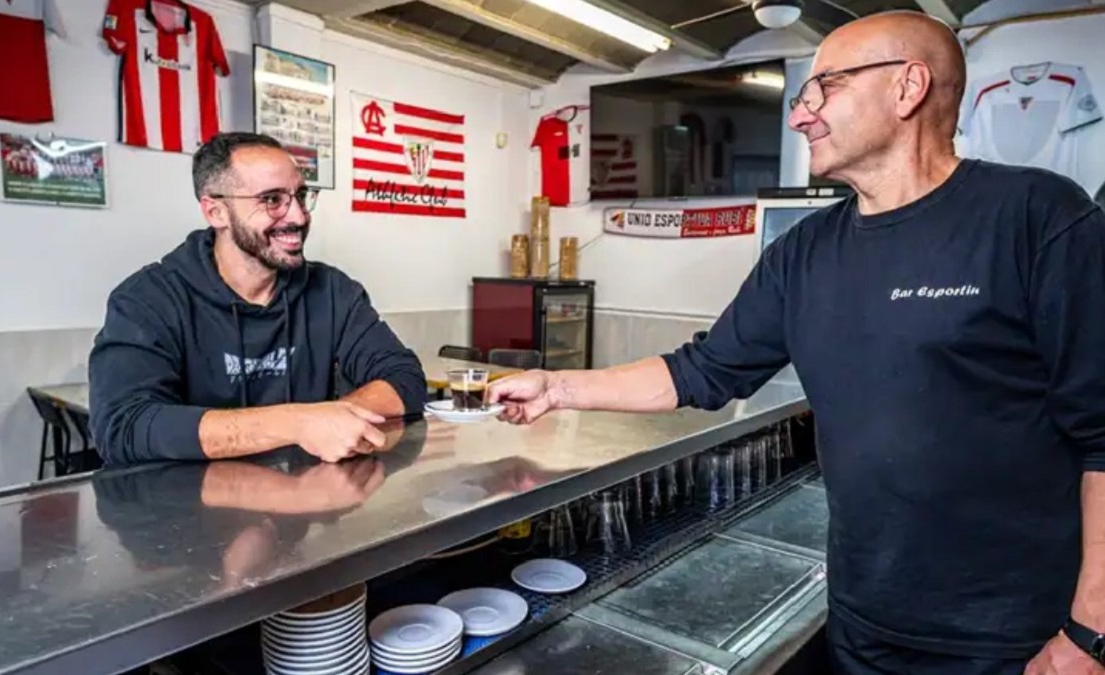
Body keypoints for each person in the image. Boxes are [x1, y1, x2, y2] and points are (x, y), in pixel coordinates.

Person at [488, 11, 1105, 675]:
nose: (800, 115)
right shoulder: (803, 253)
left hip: (1013, 637)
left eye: (824, 89)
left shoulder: (1037, 217)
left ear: (908, 88)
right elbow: (701, 370)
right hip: (864, 624)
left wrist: (1089, 630)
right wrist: (558, 387)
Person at [90, 132, 427, 466]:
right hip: (186, 513)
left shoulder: (333, 291)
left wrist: (335, 420)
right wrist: (297, 423)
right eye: (272, 199)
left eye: (301, 195)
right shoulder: (147, 300)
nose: (297, 216)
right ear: (216, 212)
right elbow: (123, 427)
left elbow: (404, 378)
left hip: (306, 505)